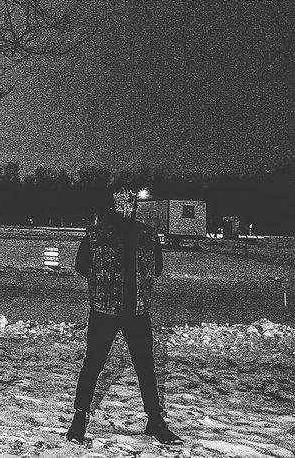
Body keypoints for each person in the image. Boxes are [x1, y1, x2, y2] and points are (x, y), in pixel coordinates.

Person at [66, 187, 182, 446]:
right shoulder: (146, 235)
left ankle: (80, 419)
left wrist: (104, 280)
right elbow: (156, 269)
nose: (127, 207)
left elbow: (82, 267)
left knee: (96, 365)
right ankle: (152, 420)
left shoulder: (96, 234)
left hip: (109, 310)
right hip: (130, 310)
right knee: (141, 367)